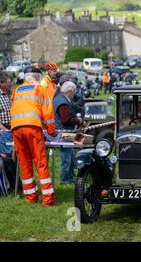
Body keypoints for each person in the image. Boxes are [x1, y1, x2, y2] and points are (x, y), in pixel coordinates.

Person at [10, 66, 56, 206]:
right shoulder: (40, 89)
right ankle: (47, 200)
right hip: (33, 127)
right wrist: (51, 130)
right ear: (37, 77)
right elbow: (47, 113)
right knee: (41, 163)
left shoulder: (16, 90)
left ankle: (31, 198)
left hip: (16, 128)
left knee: (24, 164)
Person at [53, 81, 87, 185]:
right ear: (70, 92)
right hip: (64, 132)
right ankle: (64, 180)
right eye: (74, 92)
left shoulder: (60, 98)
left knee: (72, 156)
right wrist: (79, 121)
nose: (74, 95)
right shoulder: (63, 102)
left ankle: (71, 177)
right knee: (66, 159)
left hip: (67, 131)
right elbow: (66, 120)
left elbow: (73, 108)